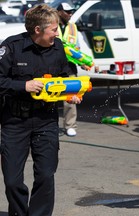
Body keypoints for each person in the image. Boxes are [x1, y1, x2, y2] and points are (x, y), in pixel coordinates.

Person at [0, 4, 81, 216]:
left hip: (46, 120)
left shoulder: (58, 48)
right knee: (12, 180)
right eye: (53, 29)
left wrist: (69, 94)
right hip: (15, 121)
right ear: (38, 29)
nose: (57, 33)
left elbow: (63, 78)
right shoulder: (12, 46)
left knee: (46, 175)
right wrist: (23, 86)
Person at [57, 2, 78, 137]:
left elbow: (76, 48)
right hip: (53, 66)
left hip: (69, 67)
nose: (70, 14)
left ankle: (70, 125)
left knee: (71, 97)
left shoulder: (73, 27)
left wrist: (83, 61)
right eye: (67, 12)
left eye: (71, 12)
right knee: (48, 96)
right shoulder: (50, 24)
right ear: (59, 12)